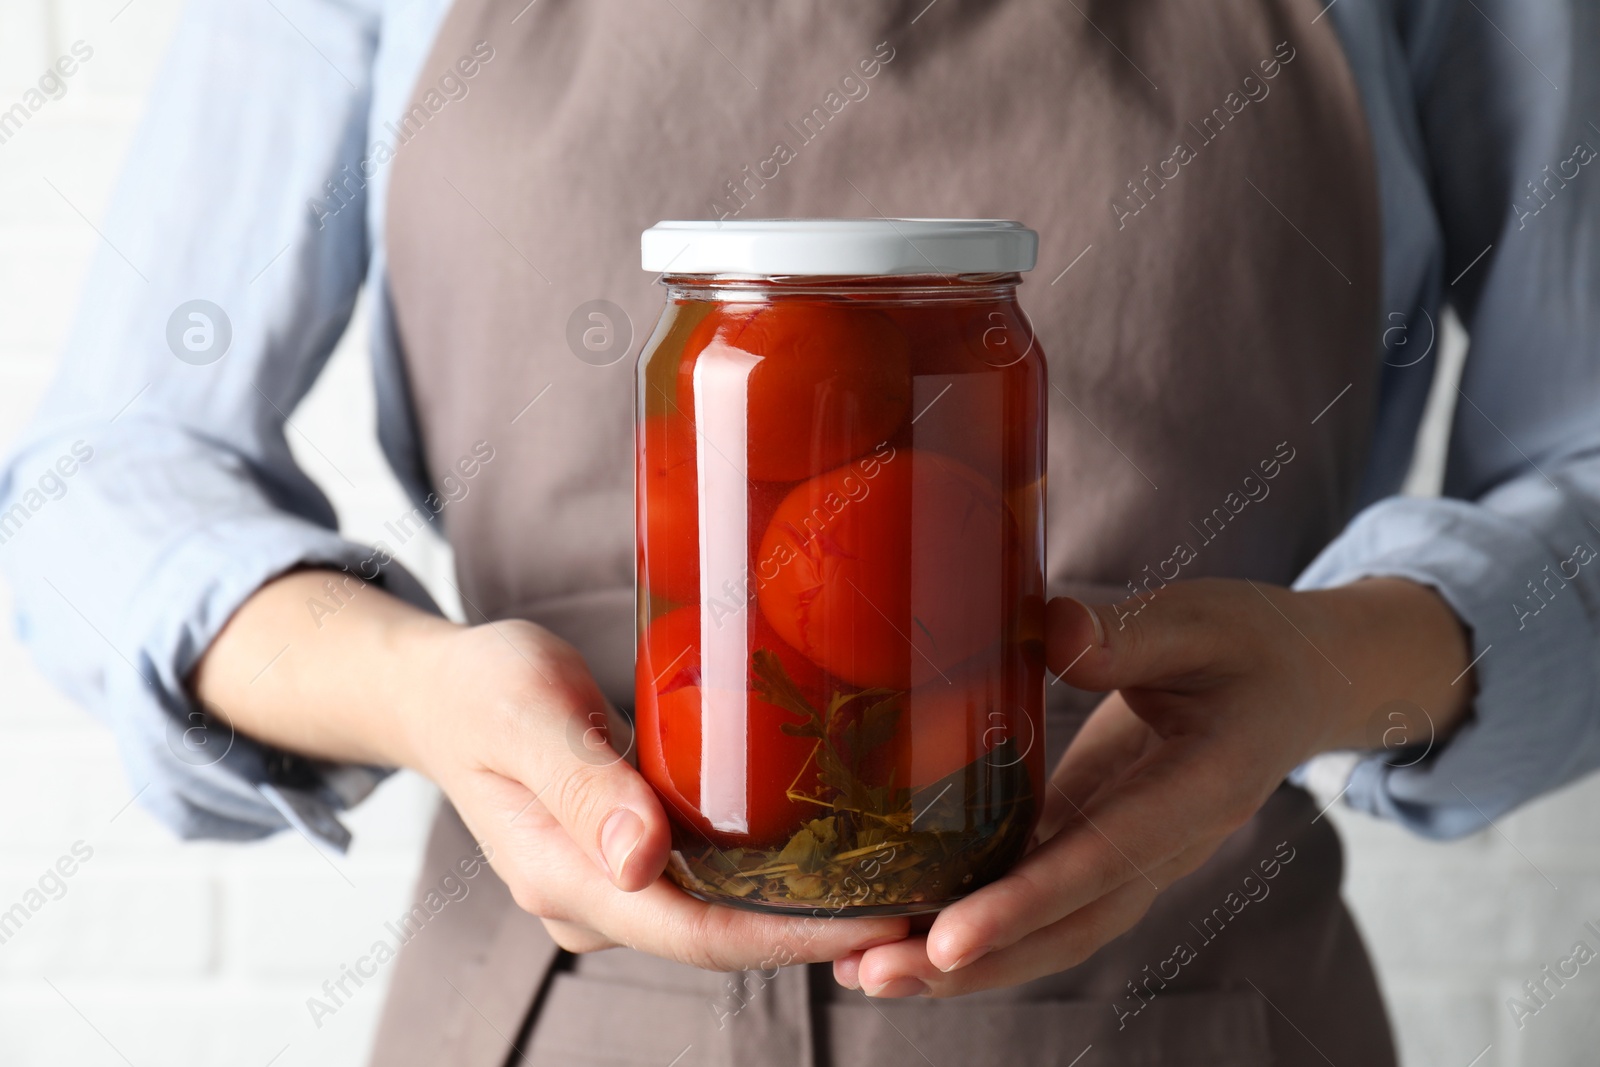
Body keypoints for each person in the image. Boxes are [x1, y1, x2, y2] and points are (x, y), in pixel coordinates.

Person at [3, 0, 1596, 1063]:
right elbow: (102, 472)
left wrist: (1329, 667)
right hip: (548, 1025)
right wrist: (416, 689)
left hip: (1197, 1009)